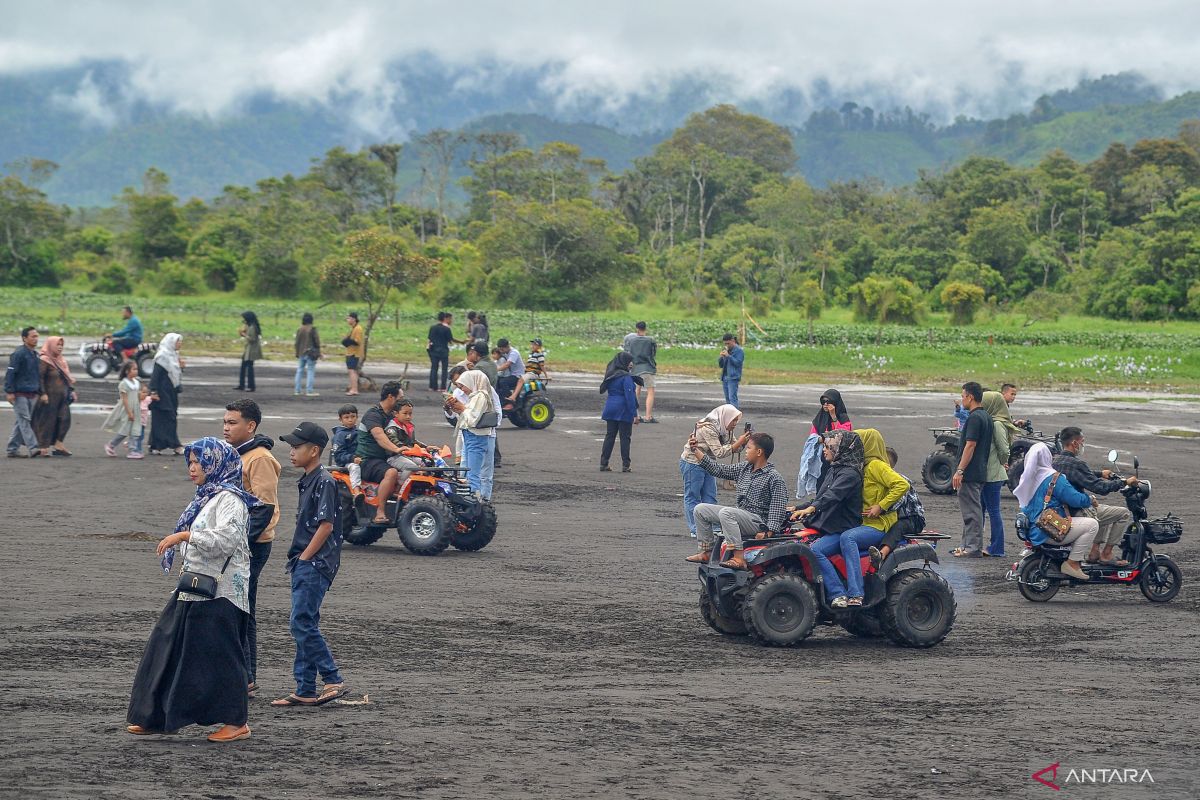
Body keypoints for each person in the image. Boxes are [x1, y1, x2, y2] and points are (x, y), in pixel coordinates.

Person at [127, 437, 257, 742]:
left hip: (222, 592)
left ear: (216, 464)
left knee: (221, 657)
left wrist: (185, 535)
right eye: (190, 463)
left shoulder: (230, 500)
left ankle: (237, 723)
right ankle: (156, 716)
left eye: (198, 462)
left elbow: (227, 540)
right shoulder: (207, 496)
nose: (192, 468)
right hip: (195, 587)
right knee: (168, 648)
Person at [273, 421, 348, 707]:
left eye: (296, 447)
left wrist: (305, 558)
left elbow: (326, 525)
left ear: (314, 450)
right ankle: (305, 688)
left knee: (301, 622)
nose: (291, 452)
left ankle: (333, 678)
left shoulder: (325, 480)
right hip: (308, 561)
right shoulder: (310, 478)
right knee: (306, 621)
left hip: (314, 562)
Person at [809, 429, 908, 607]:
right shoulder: (856, 468)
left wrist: (881, 505)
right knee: (815, 549)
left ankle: (856, 593)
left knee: (849, 538)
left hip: (877, 526)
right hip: (860, 525)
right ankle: (838, 593)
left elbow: (902, 484)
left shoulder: (876, 466)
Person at [222, 398, 280, 696]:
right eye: (225, 422)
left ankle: (246, 677)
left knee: (242, 610)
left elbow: (264, 507)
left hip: (252, 546)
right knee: (236, 608)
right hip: (240, 543)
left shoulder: (259, 458)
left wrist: (238, 544)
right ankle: (242, 676)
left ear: (251, 425)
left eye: (232, 422)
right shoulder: (239, 454)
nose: (226, 427)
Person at [684, 432, 789, 569]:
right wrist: (695, 450)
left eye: (748, 448)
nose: (745, 451)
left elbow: (778, 508)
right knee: (700, 509)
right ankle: (707, 551)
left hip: (758, 522)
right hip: (741, 516)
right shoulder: (744, 468)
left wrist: (769, 532)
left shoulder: (774, 478)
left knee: (727, 513)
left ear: (759, 452)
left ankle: (739, 558)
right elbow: (718, 470)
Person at [791, 430, 866, 605]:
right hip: (829, 526)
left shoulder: (850, 474)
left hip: (842, 529)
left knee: (815, 550)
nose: (824, 450)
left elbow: (832, 496)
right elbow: (819, 498)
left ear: (840, 448)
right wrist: (796, 508)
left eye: (827, 446)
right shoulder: (834, 470)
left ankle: (838, 593)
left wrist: (811, 509)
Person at [1053, 427, 1139, 566]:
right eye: (1083, 442)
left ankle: (1094, 553)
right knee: (1123, 513)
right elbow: (1101, 488)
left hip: (1060, 509)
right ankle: (1106, 554)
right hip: (1075, 511)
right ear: (1075, 443)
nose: (1083, 445)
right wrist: (1124, 482)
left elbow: (1078, 474)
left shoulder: (1056, 460)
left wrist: (1100, 473)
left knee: (1101, 510)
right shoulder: (1077, 464)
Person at [1015, 442, 1098, 581]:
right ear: (1048, 458)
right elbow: (1075, 499)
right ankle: (1072, 563)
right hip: (1047, 531)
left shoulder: (1028, 479)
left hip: (1032, 530)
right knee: (1092, 525)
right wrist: (1090, 499)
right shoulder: (1054, 478)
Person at [680, 404, 750, 538]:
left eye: (736, 421)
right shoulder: (707, 427)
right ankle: (695, 529)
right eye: (733, 420)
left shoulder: (725, 428)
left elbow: (735, 448)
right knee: (693, 496)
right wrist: (738, 443)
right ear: (725, 418)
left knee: (710, 496)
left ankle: (715, 528)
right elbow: (720, 452)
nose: (735, 424)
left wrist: (744, 442)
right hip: (692, 462)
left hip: (708, 463)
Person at [354, 381, 407, 523]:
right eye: (400, 398)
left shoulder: (393, 416)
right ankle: (380, 511)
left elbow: (405, 436)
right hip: (367, 460)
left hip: (384, 459)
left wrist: (424, 448)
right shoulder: (373, 415)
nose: (402, 401)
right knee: (391, 473)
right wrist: (396, 449)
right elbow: (380, 437)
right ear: (391, 397)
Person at [951, 381, 991, 557]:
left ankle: (972, 547)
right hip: (980, 470)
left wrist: (960, 470)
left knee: (972, 511)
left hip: (970, 472)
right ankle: (966, 545)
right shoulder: (986, 416)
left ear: (970, 396)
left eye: (963, 396)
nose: (962, 399)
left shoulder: (975, 417)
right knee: (972, 509)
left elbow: (970, 445)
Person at [869, 447, 927, 566]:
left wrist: (878, 509)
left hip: (912, 518)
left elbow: (896, 503)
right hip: (898, 516)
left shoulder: (899, 480)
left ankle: (882, 554)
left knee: (897, 527)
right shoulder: (881, 480)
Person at [449, 370, 499, 499]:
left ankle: (474, 503)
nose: (462, 390)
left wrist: (461, 407)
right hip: (473, 436)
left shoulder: (480, 396)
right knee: (471, 473)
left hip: (475, 437)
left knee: (473, 474)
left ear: (471, 382)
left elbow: (472, 419)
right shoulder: (477, 396)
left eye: (462, 386)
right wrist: (458, 409)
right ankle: (475, 501)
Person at [981, 390, 1016, 556]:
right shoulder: (993, 421)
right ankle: (976, 544)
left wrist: (1003, 462)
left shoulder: (996, 424)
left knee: (993, 511)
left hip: (993, 475)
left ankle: (996, 548)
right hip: (988, 473)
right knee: (980, 510)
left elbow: (1004, 449)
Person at [32, 334, 76, 457]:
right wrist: (42, 393)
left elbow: (66, 378)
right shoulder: (44, 359)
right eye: (57, 344)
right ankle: (43, 447)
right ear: (51, 345)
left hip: (62, 398)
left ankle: (59, 445)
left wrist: (71, 390)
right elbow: (39, 378)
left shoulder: (61, 360)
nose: (60, 347)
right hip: (49, 398)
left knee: (65, 419)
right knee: (47, 422)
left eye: (62, 344)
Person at [5, 326, 45, 458]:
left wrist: (40, 391)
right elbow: (10, 373)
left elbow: (37, 375)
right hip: (19, 394)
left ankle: (12, 449)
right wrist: (9, 391)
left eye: (37, 336)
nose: (36, 339)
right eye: (33, 336)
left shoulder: (35, 355)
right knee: (24, 421)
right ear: (24, 338)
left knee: (21, 422)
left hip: (32, 394)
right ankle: (33, 448)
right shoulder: (19, 354)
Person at [598, 352, 640, 473]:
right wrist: (635, 414)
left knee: (610, 436)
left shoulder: (611, 374)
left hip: (610, 408)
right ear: (624, 363)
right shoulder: (626, 377)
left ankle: (603, 463)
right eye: (629, 362)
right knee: (625, 437)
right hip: (623, 410)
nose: (631, 364)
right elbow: (630, 397)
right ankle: (626, 465)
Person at [148, 333, 184, 455]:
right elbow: (155, 376)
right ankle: (175, 445)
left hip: (171, 392)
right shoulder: (162, 356)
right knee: (165, 418)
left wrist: (181, 367)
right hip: (162, 392)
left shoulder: (174, 356)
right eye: (178, 341)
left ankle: (157, 446)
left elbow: (174, 374)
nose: (180, 344)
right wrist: (153, 392)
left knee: (169, 416)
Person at [103, 360, 144, 459]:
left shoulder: (137, 383)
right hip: (127, 409)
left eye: (136, 369)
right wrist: (129, 412)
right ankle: (111, 445)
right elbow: (124, 400)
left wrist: (139, 406)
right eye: (134, 369)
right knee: (124, 430)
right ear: (127, 371)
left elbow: (138, 397)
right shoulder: (124, 384)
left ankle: (132, 450)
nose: (136, 371)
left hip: (136, 409)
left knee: (135, 429)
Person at [385, 398, 426, 488]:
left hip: (407, 455)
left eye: (410, 414)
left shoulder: (407, 426)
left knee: (425, 462)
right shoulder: (392, 428)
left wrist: (426, 448)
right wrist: (407, 448)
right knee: (411, 467)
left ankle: (421, 485)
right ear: (396, 414)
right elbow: (394, 441)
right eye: (405, 413)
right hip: (393, 456)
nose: (408, 416)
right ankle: (399, 486)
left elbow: (413, 442)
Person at [623, 321, 658, 423]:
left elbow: (628, 353)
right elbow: (653, 354)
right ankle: (648, 416)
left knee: (636, 391)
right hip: (647, 368)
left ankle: (636, 416)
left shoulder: (631, 340)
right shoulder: (650, 340)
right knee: (650, 391)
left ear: (636, 329)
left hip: (635, 368)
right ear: (645, 329)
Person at [427, 311, 459, 391]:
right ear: (444, 318)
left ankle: (432, 386)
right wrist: (461, 342)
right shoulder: (446, 329)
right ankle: (443, 387)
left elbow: (430, 339)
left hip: (434, 350)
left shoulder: (432, 327)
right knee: (444, 369)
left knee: (434, 368)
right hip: (444, 350)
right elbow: (450, 340)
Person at [509, 338, 549, 403]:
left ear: (539, 346)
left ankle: (513, 397)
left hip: (533, 374)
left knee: (521, 380)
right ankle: (516, 399)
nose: (532, 346)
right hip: (528, 373)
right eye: (532, 344)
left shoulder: (540, 354)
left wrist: (546, 376)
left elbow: (542, 365)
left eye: (535, 345)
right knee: (516, 380)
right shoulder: (531, 354)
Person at [294, 312, 321, 397]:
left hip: (301, 352)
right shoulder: (312, 329)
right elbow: (317, 342)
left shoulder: (300, 329)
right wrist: (319, 352)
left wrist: (297, 352)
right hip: (310, 353)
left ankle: (297, 390)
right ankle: (309, 390)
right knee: (310, 371)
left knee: (299, 371)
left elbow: (296, 342)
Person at [234, 311, 263, 392]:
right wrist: (243, 333)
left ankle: (251, 386)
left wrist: (244, 335)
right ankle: (242, 385)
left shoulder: (252, 327)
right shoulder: (250, 326)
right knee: (244, 367)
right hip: (248, 349)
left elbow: (252, 339)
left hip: (251, 350)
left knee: (249, 368)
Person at [495, 338, 525, 404]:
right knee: (496, 380)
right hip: (511, 374)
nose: (500, 351)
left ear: (507, 347)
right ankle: (498, 400)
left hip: (518, 375)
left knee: (503, 382)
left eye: (502, 349)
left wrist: (495, 370)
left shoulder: (514, 353)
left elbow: (507, 365)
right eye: (500, 349)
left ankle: (508, 401)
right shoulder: (505, 352)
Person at [718, 333, 744, 408]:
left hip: (733, 377)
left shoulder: (739, 351)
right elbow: (721, 365)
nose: (727, 345)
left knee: (732, 399)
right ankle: (729, 417)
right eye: (725, 344)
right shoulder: (726, 350)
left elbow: (738, 363)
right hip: (725, 377)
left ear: (733, 341)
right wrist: (721, 357)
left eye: (728, 343)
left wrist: (728, 356)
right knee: (728, 400)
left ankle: (735, 417)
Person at [343, 312, 365, 396]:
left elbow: (357, 341)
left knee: (352, 371)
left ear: (353, 319)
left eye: (348, 318)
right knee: (352, 371)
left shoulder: (358, 329)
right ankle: (353, 387)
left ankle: (354, 389)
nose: (347, 320)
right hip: (350, 352)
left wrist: (348, 341)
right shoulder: (353, 328)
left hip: (354, 353)